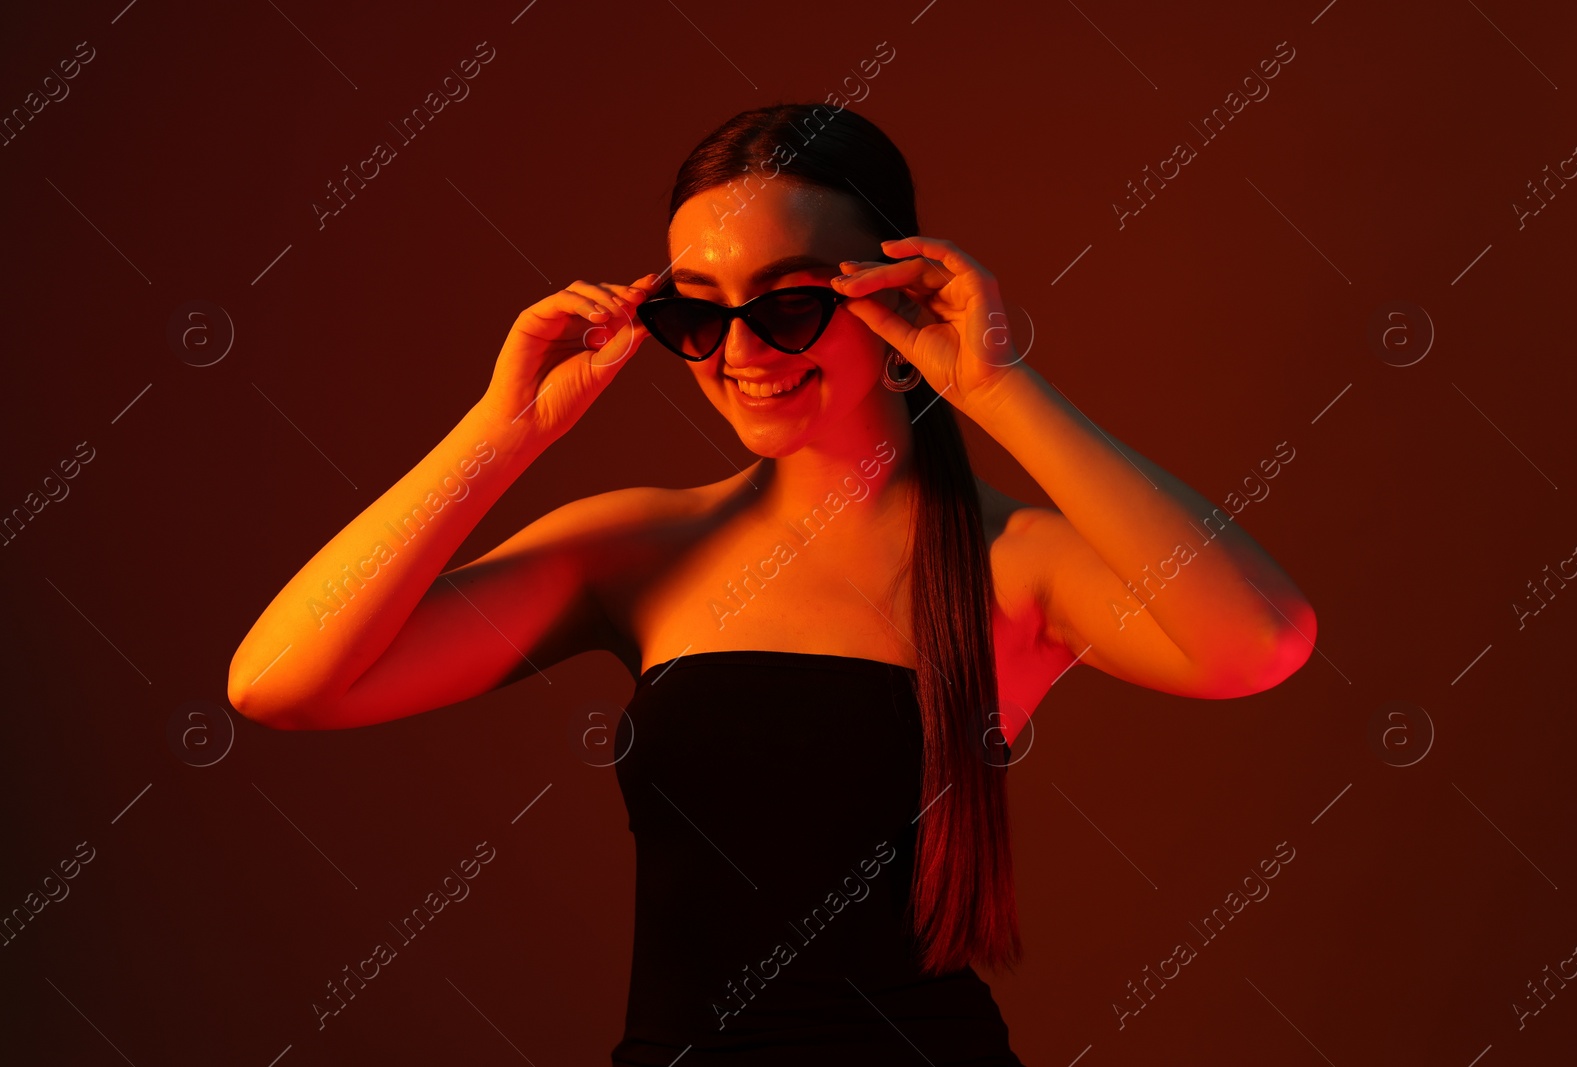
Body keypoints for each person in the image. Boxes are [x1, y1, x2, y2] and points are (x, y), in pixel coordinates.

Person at [228, 103, 1316, 1065]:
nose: (736, 351)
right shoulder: (639, 545)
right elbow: (280, 681)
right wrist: (499, 436)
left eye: (788, 305)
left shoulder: (1005, 559)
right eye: (693, 313)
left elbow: (1257, 641)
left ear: (887, 292)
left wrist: (996, 384)